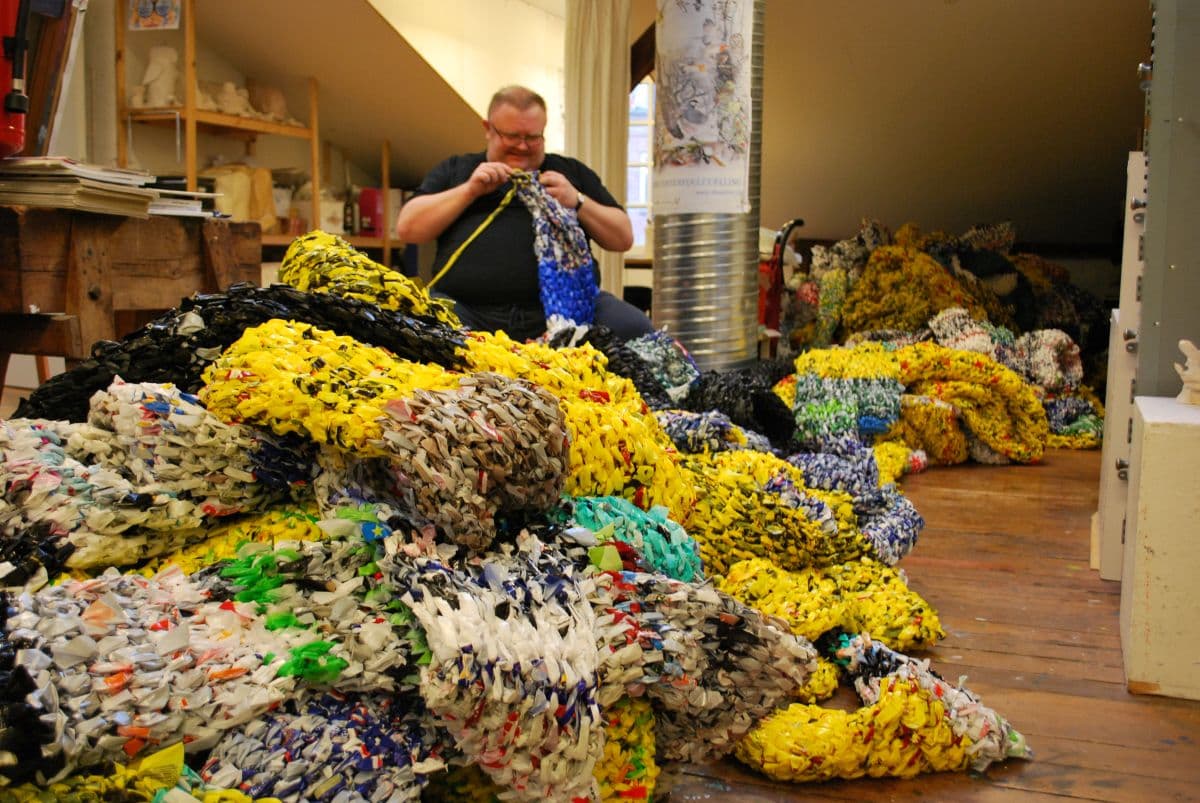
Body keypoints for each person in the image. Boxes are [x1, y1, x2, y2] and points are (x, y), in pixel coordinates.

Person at [396, 85, 655, 342]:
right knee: (413, 329)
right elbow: (408, 228)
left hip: (567, 311)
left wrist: (577, 201)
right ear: (488, 129)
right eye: (512, 136)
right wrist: (469, 191)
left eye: (532, 138)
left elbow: (622, 238)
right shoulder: (458, 170)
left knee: (635, 328)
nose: (522, 146)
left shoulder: (570, 172)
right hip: (467, 310)